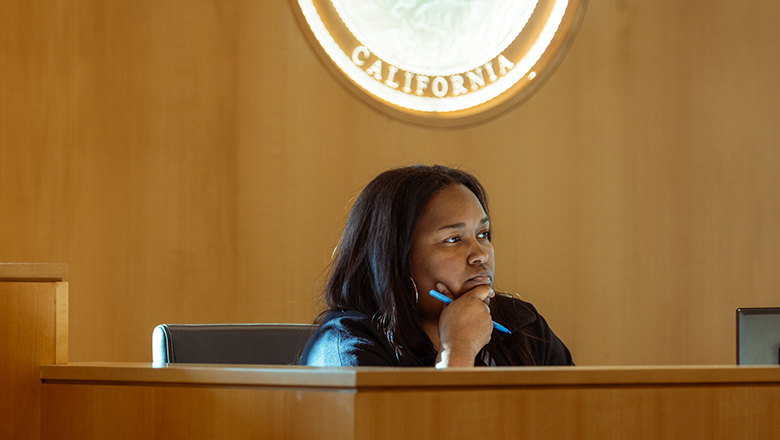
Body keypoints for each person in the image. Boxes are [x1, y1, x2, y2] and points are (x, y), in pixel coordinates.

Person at [300, 165, 573, 367]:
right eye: (453, 239)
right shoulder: (344, 348)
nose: (480, 255)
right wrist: (458, 349)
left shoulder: (521, 325)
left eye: (483, 235)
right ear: (395, 256)